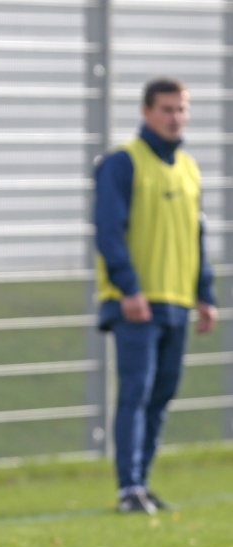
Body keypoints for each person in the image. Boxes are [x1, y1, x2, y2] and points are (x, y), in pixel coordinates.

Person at [95, 77, 216, 515]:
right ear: (147, 112)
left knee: (162, 394)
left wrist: (205, 293)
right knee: (136, 392)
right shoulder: (123, 163)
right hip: (137, 303)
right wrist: (129, 287)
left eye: (181, 109)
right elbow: (108, 230)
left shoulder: (188, 167)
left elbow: (196, 236)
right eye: (166, 109)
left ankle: (142, 483)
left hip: (177, 300)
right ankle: (128, 487)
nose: (175, 117)